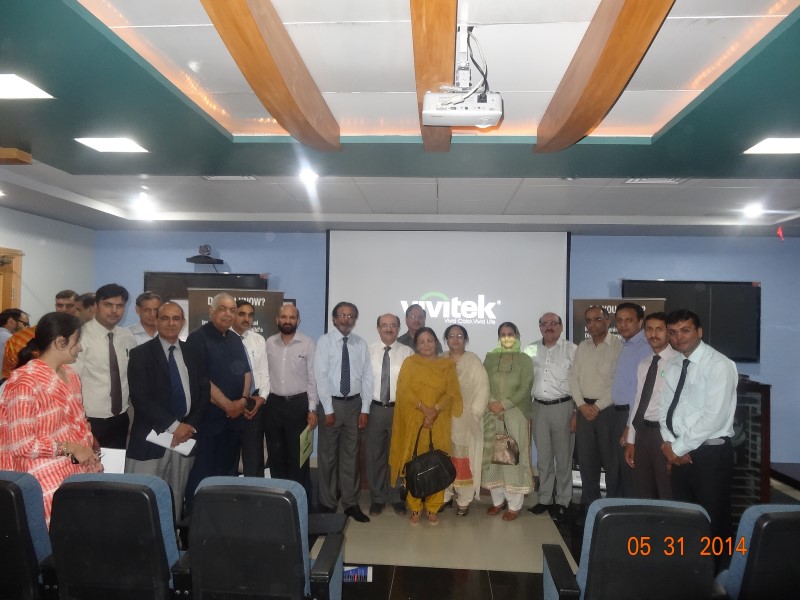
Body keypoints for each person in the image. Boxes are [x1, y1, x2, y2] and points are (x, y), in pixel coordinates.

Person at [0, 312, 102, 525]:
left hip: (77, 469)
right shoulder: (25, 382)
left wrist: (86, 444)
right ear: (60, 342)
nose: (80, 348)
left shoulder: (71, 375)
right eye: (76, 341)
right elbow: (21, 445)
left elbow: (77, 422)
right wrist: (71, 447)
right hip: (40, 479)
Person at [125, 302, 209, 520]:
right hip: (151, 439)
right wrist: (174, 426)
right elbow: (140, 398)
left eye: (176, 318)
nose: (171, 323)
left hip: (185, 438)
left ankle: (172, 537)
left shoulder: (194, 354)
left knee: (176, 498)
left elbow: (203, 393)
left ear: (183, 322)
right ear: (156, 321)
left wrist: (189, 426)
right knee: (143, 500)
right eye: (165, 318)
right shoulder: (140, 354)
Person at [660, 309, 737, 548]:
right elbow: (666, 409)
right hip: (680, 453)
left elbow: (714, 418)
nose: (678, 337)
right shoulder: (673, 363)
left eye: (685, 330)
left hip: (710, 453)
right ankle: (690, 565)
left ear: (699, 332)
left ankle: (720, 569)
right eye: (672, 332)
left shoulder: (719, 364)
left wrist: (677, 448)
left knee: (714, 520)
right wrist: (669, 443)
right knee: (685, 517)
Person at [184, 293, 252, 512]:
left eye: (232, 310)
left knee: (228, 472)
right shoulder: (197, 338)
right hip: (208, 421)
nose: (228, 314)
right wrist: (228, 405)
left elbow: (246, 373)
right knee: (203, 473)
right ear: (211, 311)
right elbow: (202, 380)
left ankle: (223, 516)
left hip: (234, 420)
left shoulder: (234, 339)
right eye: (223, 309)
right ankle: (196, 519)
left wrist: (242, 401)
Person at [390, 327, 462, 526]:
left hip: (439, 422)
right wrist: (424, 409)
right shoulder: (410, 363)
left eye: (430, 340)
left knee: (436, 463)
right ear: (416, 345)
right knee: (413, 463)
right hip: (415, 421)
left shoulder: (447, 365)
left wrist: (435, 410)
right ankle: (415, 507)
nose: (426, 345)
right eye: (422, 342)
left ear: (436, 342)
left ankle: (433, 507)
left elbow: (452, 393)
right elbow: (404, 391)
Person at [314, 301, 373, 523]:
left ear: (355, 320)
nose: (346, 319)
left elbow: (367, 376)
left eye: (350, 316)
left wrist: (365, 408)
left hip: (354, 405)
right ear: (334, 318)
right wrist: (328, 409)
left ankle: (350, 503)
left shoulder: (360, 344)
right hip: (332, 404)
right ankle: (328, 502)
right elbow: (320, 376)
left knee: (351, 457)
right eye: (342, 315)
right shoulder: (325, 342)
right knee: (328, 457)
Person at [525, 312, 576, 523]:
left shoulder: (572, 350)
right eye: (544, 323)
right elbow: (525, 380)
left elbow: (579, 382)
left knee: (563, 458)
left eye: (553, 323)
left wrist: (575, 412)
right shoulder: (530, 350)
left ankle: (563, 501)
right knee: (544, 458)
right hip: (538, 407)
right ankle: (545, 499)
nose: (549, 326)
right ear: (539, 327)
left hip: (563, 407)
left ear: (561, 326)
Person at [569, 306, 622, 508]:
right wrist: (581, 405)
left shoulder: (619, 346)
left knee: (612, 463)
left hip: (608, 412)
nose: (592, 324)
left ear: (608, 321)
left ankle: (612, 508)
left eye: (597, 319)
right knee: (586, 463)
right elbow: (573, 378)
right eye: (589, 320)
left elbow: (619, 383)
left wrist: (597, 406)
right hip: (584, 411)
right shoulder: (582, 347)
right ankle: (589, 507)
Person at [264, 304, 318, 498]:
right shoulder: (269, 343)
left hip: (299, 405)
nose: (288, 321)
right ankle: (279, 498)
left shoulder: (307, 343)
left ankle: (299, 498)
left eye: (292, 317)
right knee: (276, 455)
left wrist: (312, 409)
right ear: (277, 319)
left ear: (298, 320)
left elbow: (312, 378)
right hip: (273, 405)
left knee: (299, 458)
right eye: (284, 317)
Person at [73, 283, 137, 449]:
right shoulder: (80, 338)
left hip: (120, 419)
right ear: (96, 305)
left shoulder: (127, 337)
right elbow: (71, 383)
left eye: (119, 306)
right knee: (87, 465)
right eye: (108, 305)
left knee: (115, 465)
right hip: (88, 420)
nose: (114, 311)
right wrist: (79, 422)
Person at [481, 322, 534, 521]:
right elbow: (483, 383)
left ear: (517, 336)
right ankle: (497, 501)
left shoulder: (525, 359)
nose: (506, 337)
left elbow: (525, 386)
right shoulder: (490, 357)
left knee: (512, 455)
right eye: (502, 334)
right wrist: (492, 403)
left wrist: (504, 404)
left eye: (510, 333)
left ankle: (514, 505)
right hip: (491, 412)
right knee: (494, 455)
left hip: (515, 413)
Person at [624, 312, 677, 499]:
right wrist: (631, 440)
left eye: (659, 329)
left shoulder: (678, 363)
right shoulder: (644, 363)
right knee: (643, 491)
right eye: (649, 329)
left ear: (668, 332)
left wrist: (676, 445)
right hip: (643, 433)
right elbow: (638, 401)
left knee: (667, 491)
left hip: (665, 435)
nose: (653, 334)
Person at [365, 313, 413, 516]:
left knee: (397, 456)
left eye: (393, 325)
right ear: (378, 328)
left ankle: (396, 497)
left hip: (399, 410)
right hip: (374, 409)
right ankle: (377, 498)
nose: (389, 328)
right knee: (375, 456)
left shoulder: (408, 352)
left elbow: (411, 384)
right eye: (384, 325)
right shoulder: (368, 351)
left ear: (399, 328)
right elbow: (363, 382)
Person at [441, 324, 488, 517]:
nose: (455, 339)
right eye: (451, 336)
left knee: (463, 460)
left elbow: (483, 387)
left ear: (465, 339)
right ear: (446, 339)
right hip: (442, 419)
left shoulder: (473, 360)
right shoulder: (441, 359)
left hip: (465, 419)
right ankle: (445, 495)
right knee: (443, 458)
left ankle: (464, 500)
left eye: (459, 336)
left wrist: (474, 414)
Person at [609, 302, 651, 497]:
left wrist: (629, 425)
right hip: (618, 413)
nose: (623, 324)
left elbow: (640, 392)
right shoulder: (624, 345)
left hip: (630, 415)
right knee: (619, 468)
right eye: (619, 320)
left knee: (630, 468)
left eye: (629, 320)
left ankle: (630, 510)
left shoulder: (644, 347)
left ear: (640, 322)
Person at [3, 289, 79, 379]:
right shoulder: (20, 338)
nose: (63, 310)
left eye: (69, 306)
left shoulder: (84, 335)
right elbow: (8, 374)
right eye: (60, 305)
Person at [231, 300, 269, 476]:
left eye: (250, 315)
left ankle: (255, 492)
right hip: (230, 405)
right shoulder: (223, 339)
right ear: (233, 315)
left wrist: (262, 398)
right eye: (242, 314)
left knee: (254, 458)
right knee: (228, 458)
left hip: (254, 403)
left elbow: (264, 372)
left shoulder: (258, 340)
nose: (247, 319)